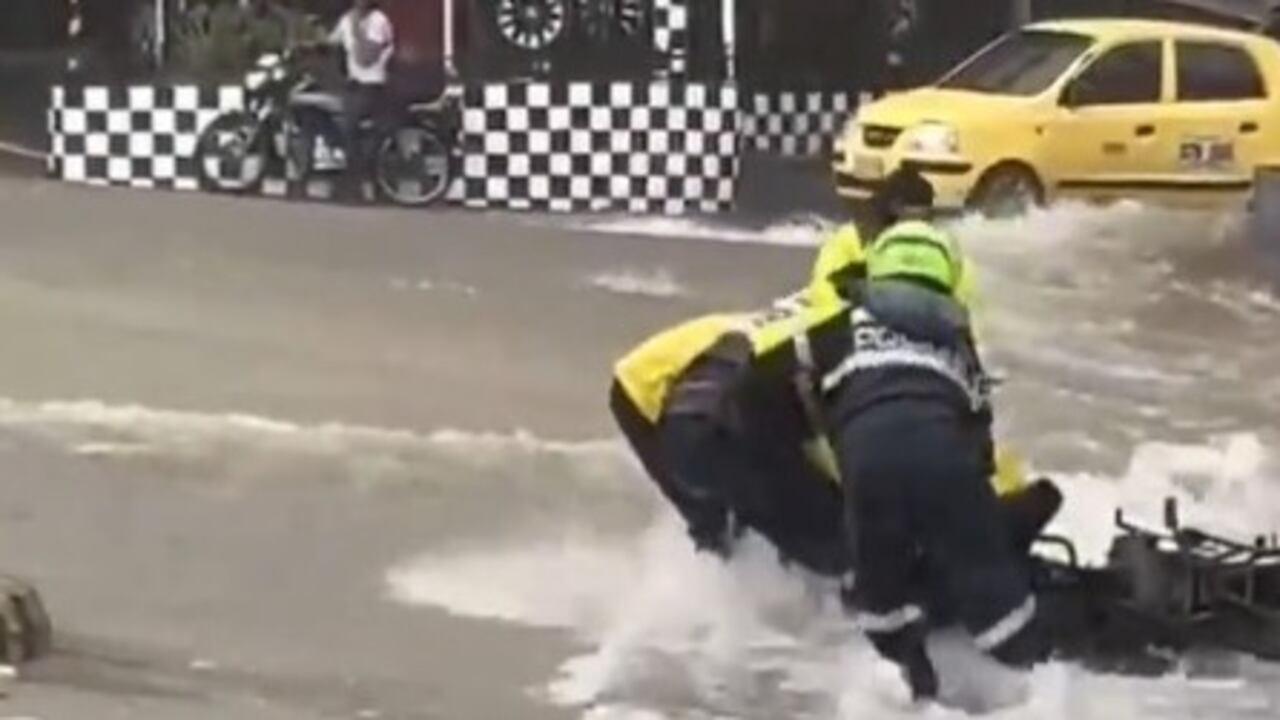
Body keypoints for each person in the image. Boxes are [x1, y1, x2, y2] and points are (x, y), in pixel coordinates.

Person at [815, 216, 1049, 701]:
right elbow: (980, 440)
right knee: (986, 581)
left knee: (879, 585)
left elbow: (808, 403)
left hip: (864, 460)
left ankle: (911, 681)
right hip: (944, 456)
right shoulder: (958, 343)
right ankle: (1039, 684)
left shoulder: (835, 326)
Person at [327, 0, 396, 200]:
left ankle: (355, 178)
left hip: (372, 85)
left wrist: (357, 28)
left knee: (349, 126)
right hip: (353, 84)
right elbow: (331, 42)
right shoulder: (346, 19)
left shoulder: (378, 21)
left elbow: (365, 59)